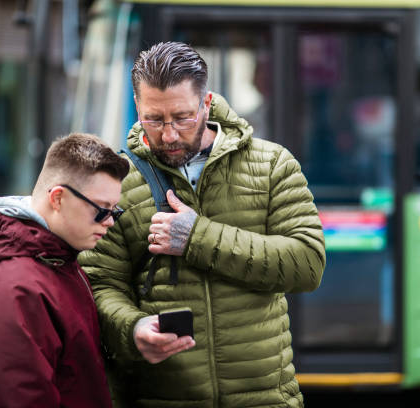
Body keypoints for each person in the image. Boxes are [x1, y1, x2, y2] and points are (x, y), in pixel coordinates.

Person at [78, 41, 326, 408]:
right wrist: (133, 329)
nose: (169, 134)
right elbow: (99, 286)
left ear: (207, 103)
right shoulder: (117, 180)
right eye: (154, 119)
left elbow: (307, 265)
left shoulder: (273, 164)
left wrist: (198, 237)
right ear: (137, 107)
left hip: (265, 399)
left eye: (182, 117)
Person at [0, 133, 130, 408]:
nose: (110, 222)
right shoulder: (14, 287)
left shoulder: (59, 258)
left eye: (116, 210)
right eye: (102, 210)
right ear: (58, 198)